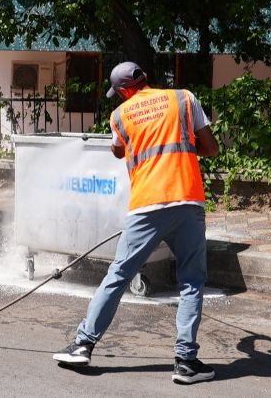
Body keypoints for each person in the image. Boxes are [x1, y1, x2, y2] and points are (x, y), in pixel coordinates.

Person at [52, 61, 220, 385]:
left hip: (147, 206)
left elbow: (117, 151)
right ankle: (186, 363)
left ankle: (83, 345)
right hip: (187, 200)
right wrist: (184, 146)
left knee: (118, 275)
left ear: (125, 90)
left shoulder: (120, 115)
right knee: (191, 281)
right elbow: (211, 148)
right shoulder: (184, 99)